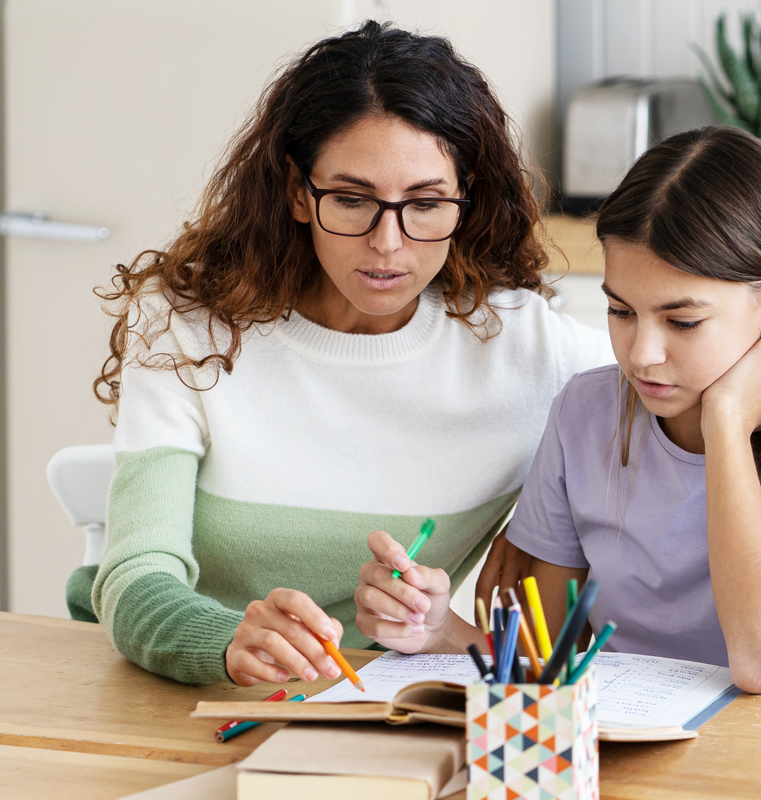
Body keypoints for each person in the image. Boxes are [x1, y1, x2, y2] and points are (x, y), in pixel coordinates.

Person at [79, 20, 612, 687]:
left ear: (465, 200)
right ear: (298, 192)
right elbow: (133, 579)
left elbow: (698, 377)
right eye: (353, 199)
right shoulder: (188, 329)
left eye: (424, 204)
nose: (388, 243)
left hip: (378, 707)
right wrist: (227, 641)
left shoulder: (532, 350)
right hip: (186, 692)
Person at [353, 126, 761, 700]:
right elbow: (538, 662)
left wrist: (726, 421)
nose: (641, 355)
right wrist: (439, 629)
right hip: (628, 758)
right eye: (621, 311)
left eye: (682, 321)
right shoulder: (587, 414)